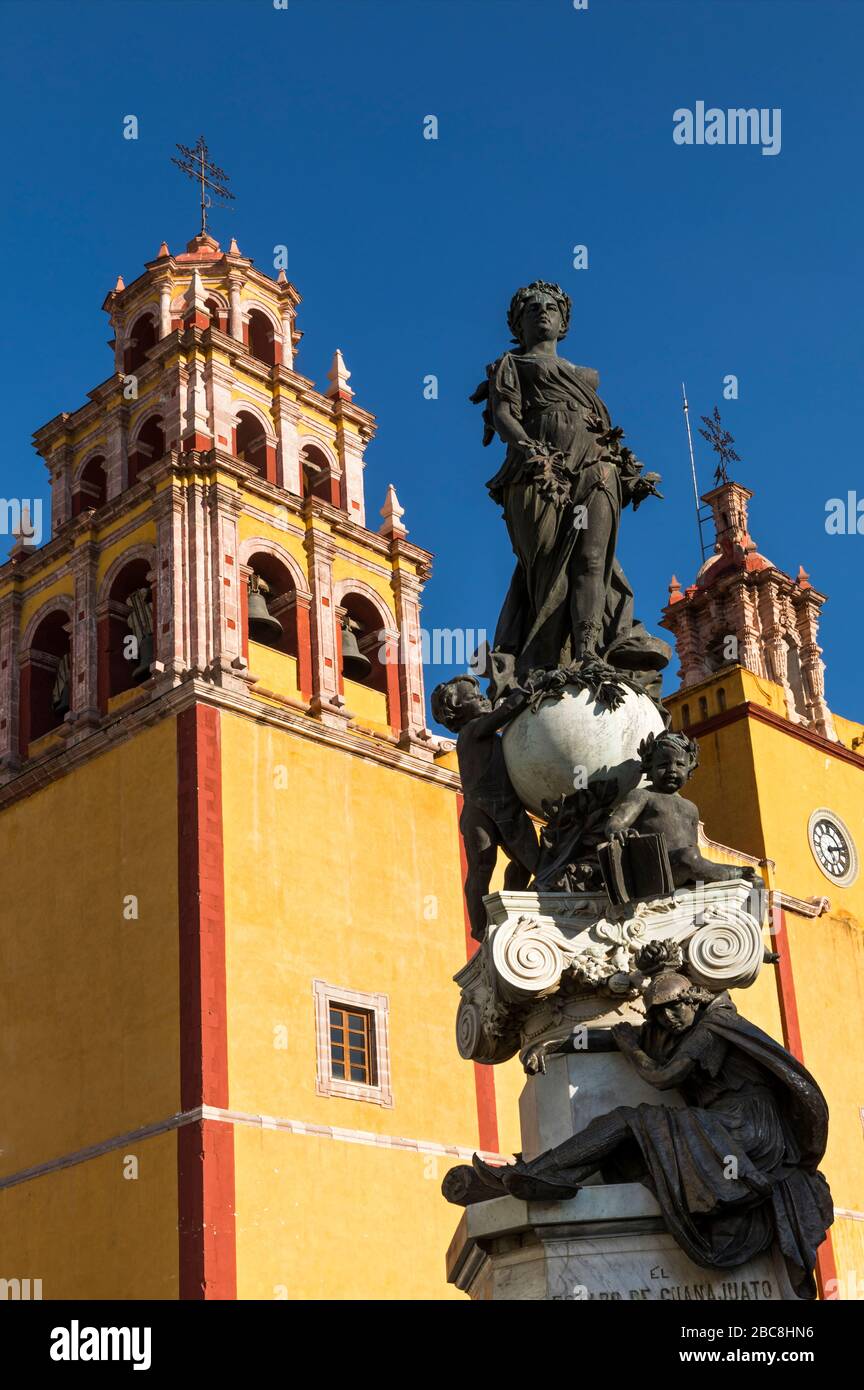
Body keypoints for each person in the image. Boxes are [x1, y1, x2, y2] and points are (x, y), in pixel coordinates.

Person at [454, 972, 832, 1300]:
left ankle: (541, 1172)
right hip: (720, 1124)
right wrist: (553, 1044)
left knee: (627, 1121)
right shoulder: (673, 1031)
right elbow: (612, 1038)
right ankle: (541, 1173)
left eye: (675, 1007)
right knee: (627, 1124)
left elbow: (662, 1076)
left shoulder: (711, 1028)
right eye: (660, 1013)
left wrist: (633, 1050)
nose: (669, 1018)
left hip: (748, 1130)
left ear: (692, 1000)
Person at [471, 280, 668, 696]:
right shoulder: (511, 365)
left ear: (563, 323)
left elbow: (604, 430)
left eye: (551, 308)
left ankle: (588, 652)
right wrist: (532, 452)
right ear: (517, 324)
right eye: (532, 309)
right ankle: (542, 661)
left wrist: (628, 471)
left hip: (597, 465)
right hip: (538, 473)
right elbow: (506, 417)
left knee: (594, 560)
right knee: (542, 569)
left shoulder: (584, 378)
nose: (543, 313)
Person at [431, 673, 539, 941]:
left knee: (492, 868)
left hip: (481, 811)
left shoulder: (479, 732)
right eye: (473, 698)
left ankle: (505, 910)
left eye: (481, 695)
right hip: (498, 809)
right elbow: (505, 712)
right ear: (457, 713)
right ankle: (480, 927)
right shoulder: (473, 730)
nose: (482, 699)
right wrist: (530, 689)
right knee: (519, 863)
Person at [604, 730, 761, 888]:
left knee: (755, 880)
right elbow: (617, 821)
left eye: (679, 764)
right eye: (663, 765)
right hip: (655, 869)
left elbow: (695, 852)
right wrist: (617, 830)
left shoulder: (691, 808)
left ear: (689, 770)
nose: (672, 769)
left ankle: (748, 907)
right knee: (689, 857)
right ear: (649, 768)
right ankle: (731, 874)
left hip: (686, 866)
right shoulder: (643, 795)